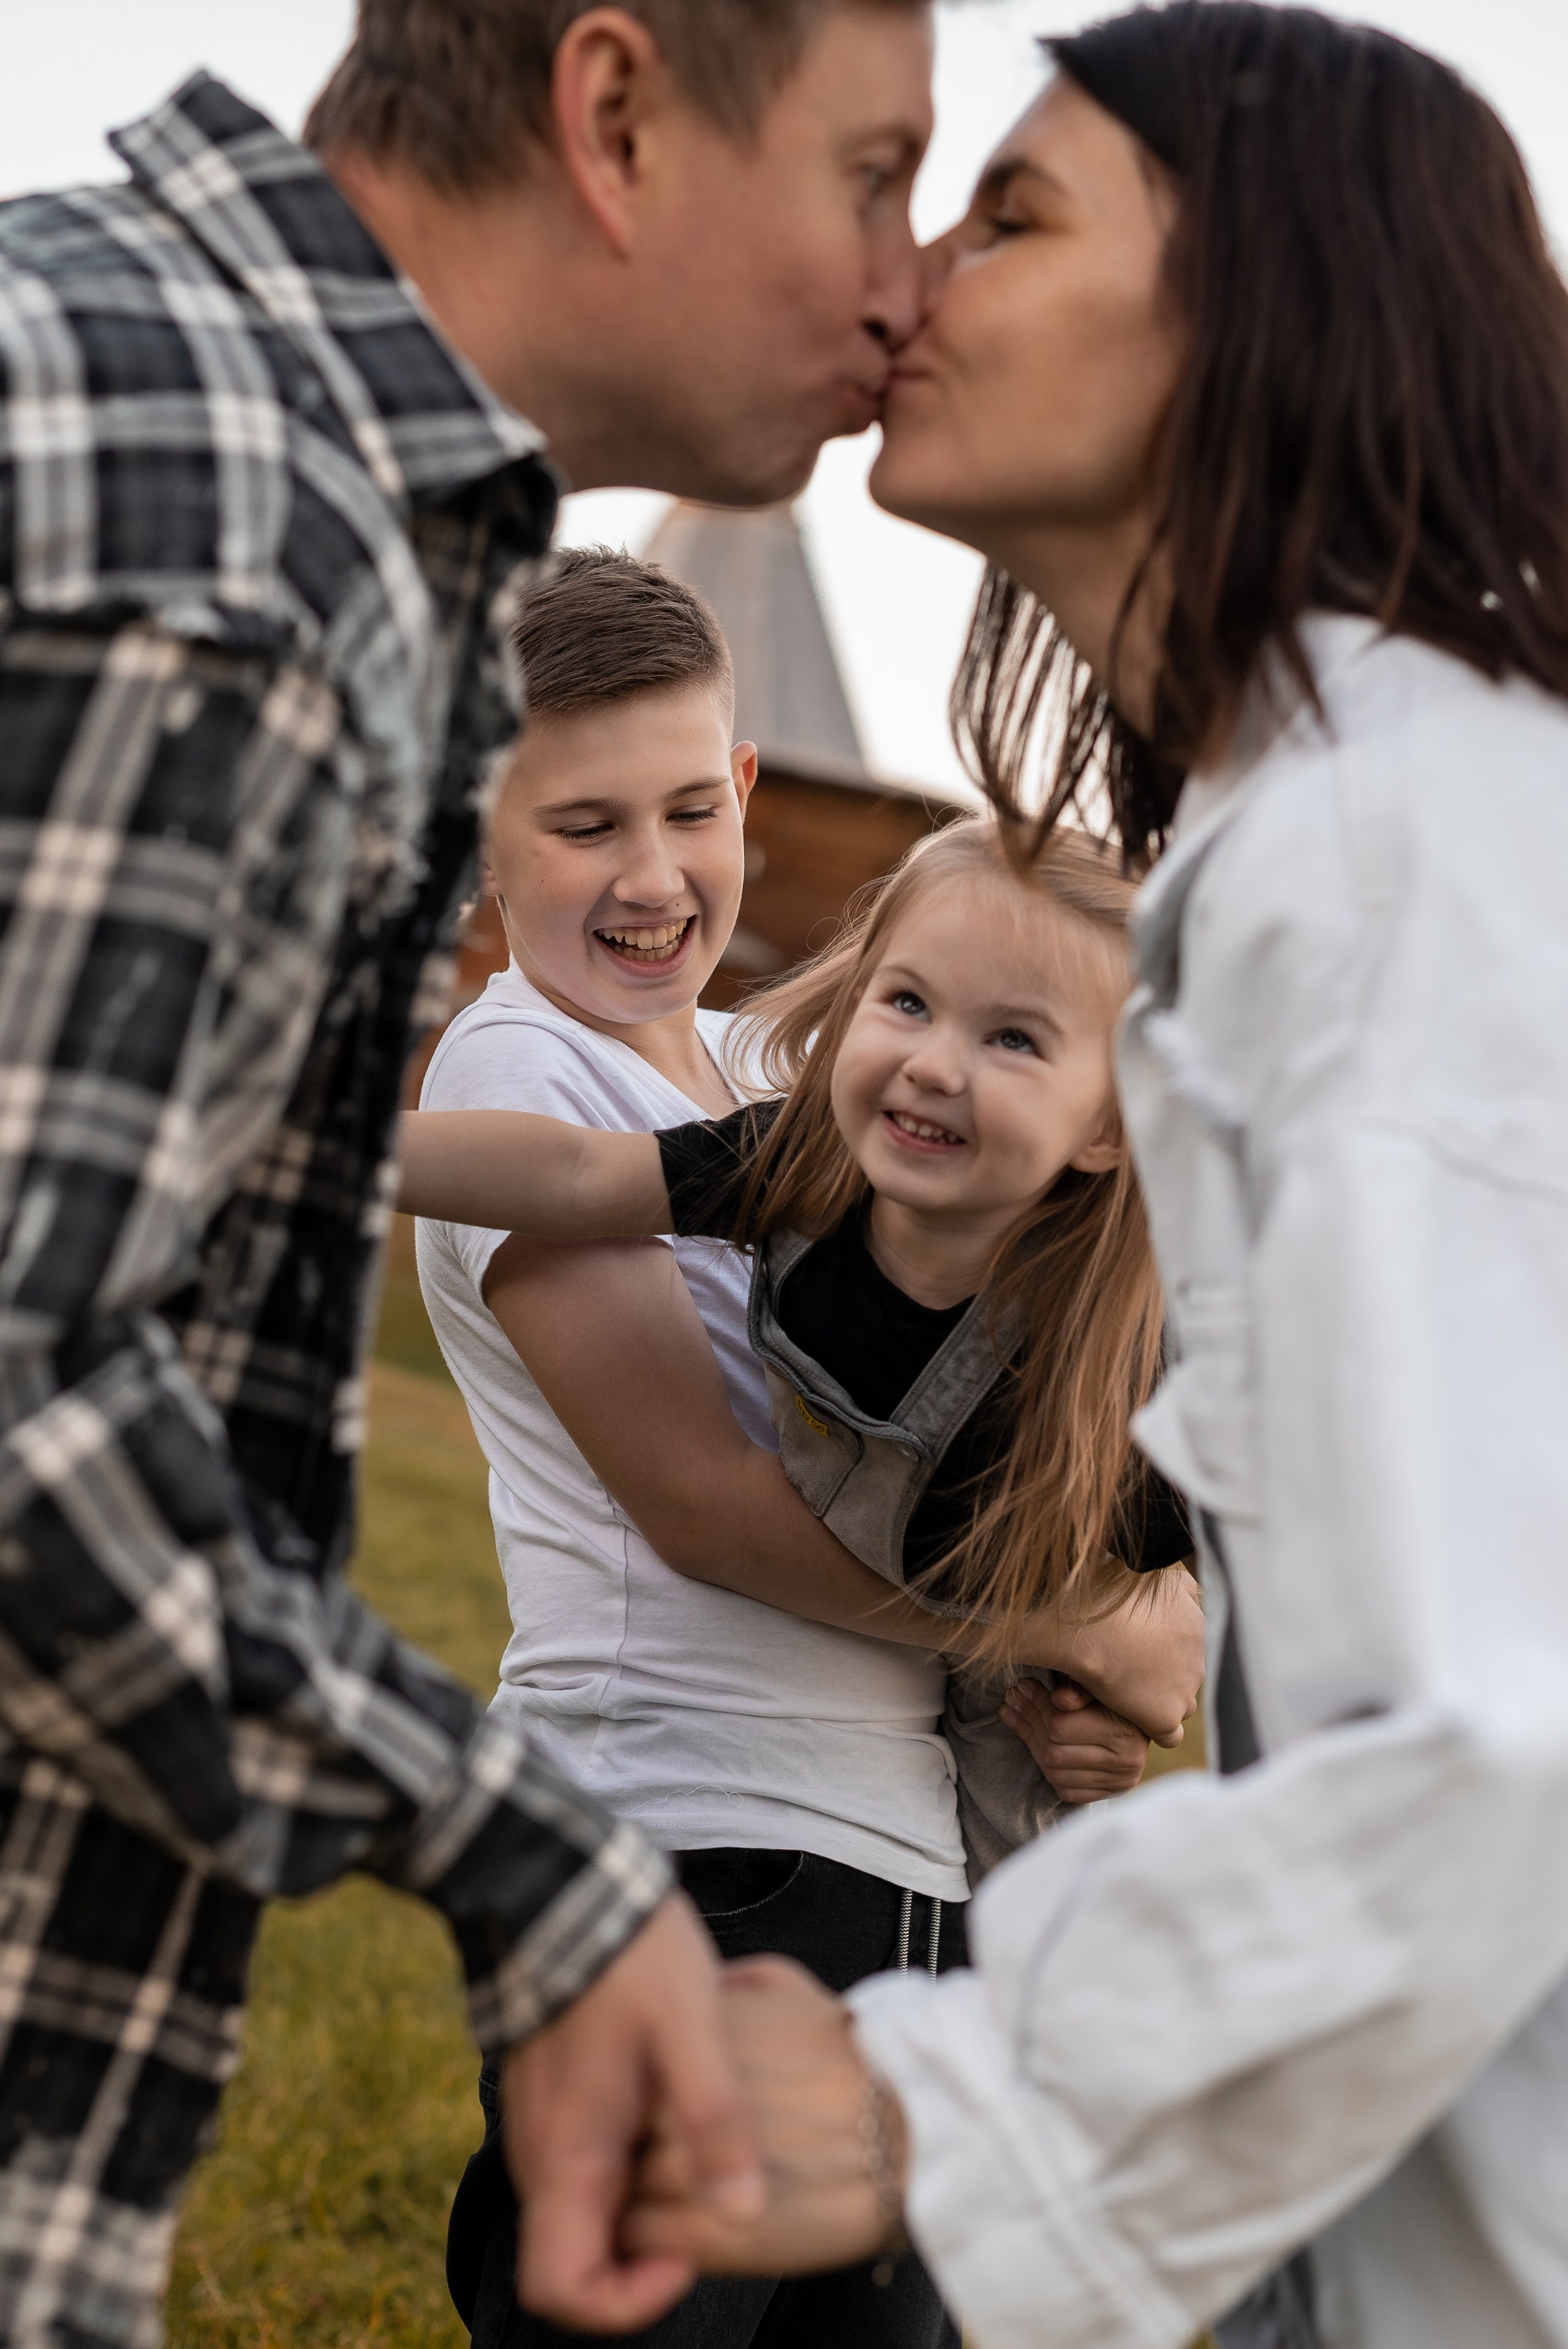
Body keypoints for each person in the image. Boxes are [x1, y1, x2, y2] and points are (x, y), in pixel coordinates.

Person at [597, 8, 1568, 2348]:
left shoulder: (1395, 853)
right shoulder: (1345, 822)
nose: (910, 278)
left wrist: (935, 2105)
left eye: (1011, 213)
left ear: (1272, 309)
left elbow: (1506, 1720)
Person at [0, 4, 941, 2340]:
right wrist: (546, 1865)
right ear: (615, 117)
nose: (907, 281)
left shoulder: (175, 414)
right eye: (874, 173)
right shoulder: (219, 531)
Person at [415, 548, 1200, 2348]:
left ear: (746, 783)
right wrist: (1074, 1625)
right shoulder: (523, 1072)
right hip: (686, 1837)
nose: (651, 875)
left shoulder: (790, 1080)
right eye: (583, 825)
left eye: (692, 808)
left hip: (903, 1867)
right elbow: (710, 1510)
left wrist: (1128, 1630)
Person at [400, 810, 1205, 1837]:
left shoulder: (1109, 1357)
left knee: (1027, 1884)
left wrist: (1112, 1702)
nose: (935, 1064)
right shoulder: (806, 1165)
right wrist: (332, 1145)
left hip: (1004, 1674)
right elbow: (577, 1171)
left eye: (1013, 1038)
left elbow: (1199, 1599)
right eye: (908, 1001)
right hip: (906, 1637)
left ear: (1107, 1128)